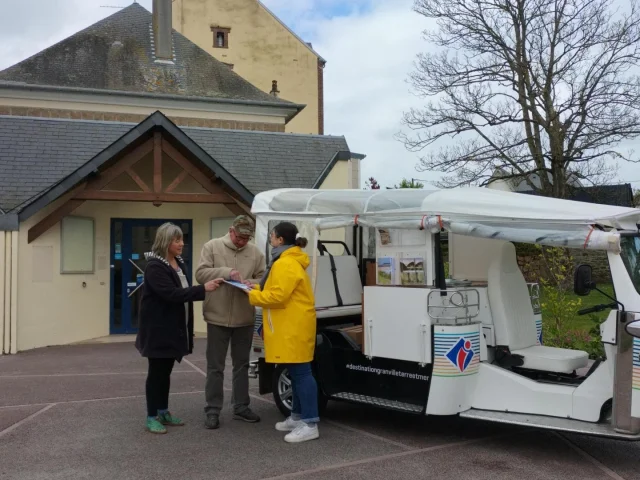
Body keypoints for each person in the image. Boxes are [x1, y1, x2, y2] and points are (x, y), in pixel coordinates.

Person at [135, 222, 223, 435]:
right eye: (177, 240)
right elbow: (172, 294)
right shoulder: (155, 267)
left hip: (174, 329)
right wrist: (204, 288)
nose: (182, 243)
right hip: (158, 331)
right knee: (156, 374)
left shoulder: (178, 263)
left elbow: (180, 293)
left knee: (165, 373)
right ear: (166, 242)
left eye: (182, 239)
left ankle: (163, 411)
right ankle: (151, 416)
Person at [245, 222, 319, 443]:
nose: (270, 239)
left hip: (292, 326)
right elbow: (276, 290)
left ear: (279, 240)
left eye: (272, 236)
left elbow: (277, 297)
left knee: (302, 373)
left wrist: (251, 296)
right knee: (296, 372)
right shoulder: (288, 260)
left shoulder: (285, 263)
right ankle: (298, 417)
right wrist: (254, 288)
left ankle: (310, 423)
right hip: (291, 325)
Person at [195, 215, 266, 429]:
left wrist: (249, 283)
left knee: (241, 365)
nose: (242, 241)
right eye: (239, 237)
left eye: (246, 238)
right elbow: (200, 274)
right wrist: (226, 273)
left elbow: (264, 279)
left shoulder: (255, 252)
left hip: (244, 318)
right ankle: (213, 410)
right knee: (215, 367)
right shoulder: (212, 246)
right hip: (217, 317)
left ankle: (241, 407)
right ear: (231, 230)